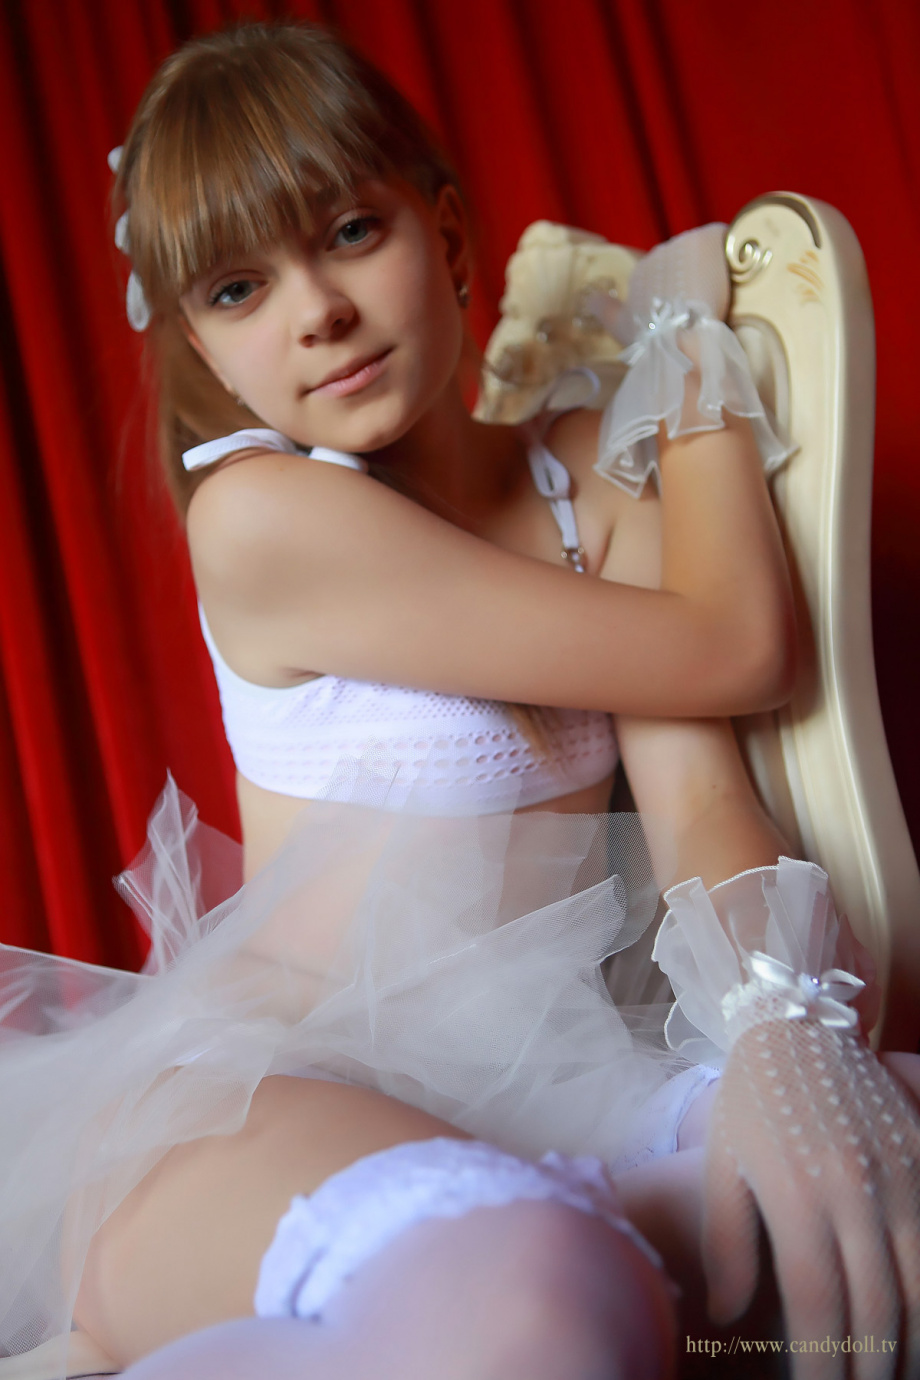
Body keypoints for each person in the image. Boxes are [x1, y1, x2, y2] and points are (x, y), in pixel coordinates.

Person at [1, 20, 918, 1380]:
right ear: (202, 343)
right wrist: (686, 357)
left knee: (888, 1162)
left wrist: (785, 1015)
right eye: (240, 289)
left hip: (555, 1086)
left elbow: (702, 804)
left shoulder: (587, 487)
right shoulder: (260, 515)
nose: (316, 309)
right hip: (263, 1104)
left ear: (444, 230)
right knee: (534, 1283)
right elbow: (737, 646)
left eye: (350, 231)